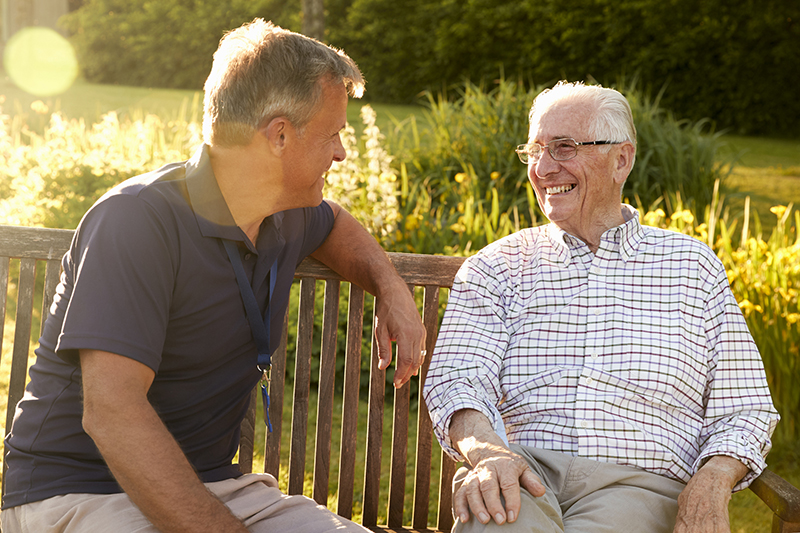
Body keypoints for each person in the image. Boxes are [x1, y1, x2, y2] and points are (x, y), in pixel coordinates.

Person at [2, 19, 426, 533]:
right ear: (280, 134)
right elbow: (111, 412)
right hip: (80, 493)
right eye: (333, 133)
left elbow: (335, 222)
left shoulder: (283, 211)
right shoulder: (137, 220)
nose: (340, 152)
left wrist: (392, 289)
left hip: (218, 488)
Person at [423, 81, 779, 533]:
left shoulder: (691, 266)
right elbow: (458, 380)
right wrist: (489, 452)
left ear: (622, 159)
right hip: (522, 470)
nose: (544, 167)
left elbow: (744, 406)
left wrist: (712, 479)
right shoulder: (496, 267)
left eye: (564, 148)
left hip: (640, 484)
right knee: (495, 522)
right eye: (535, 150)